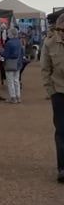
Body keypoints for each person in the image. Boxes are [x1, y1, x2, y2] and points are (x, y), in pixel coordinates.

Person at [40, 10, 64, 183]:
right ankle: (62, 168)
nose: (61, 33)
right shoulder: (49, 43)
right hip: (59, 92)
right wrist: (51, 92)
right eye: (60, 29)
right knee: (61, 131)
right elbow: (45, 70)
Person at [2, 27, 24, 103]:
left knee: (10, 81)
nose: (7, 34)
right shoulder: (19, 42)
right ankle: (18, 97)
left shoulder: (9, 43)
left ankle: (13, 97)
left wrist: (0, 52)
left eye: (8, 33)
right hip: (18, 63)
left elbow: (6, 54)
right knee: (16, 80)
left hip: (10, 63)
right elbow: (22, 53)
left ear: (11, 34)